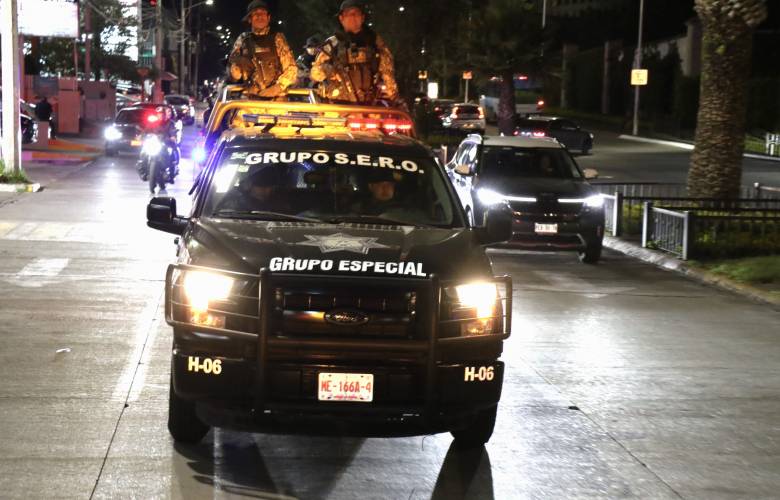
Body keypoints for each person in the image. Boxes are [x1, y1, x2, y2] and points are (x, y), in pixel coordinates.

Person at [311, 0, 399, 105]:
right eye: (348, 14)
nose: (352, 17)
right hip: (337, 106)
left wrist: (394, 98)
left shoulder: (375, 42)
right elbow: (315, 73)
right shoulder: (332, 43)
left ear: (362, 17)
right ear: (341, 18)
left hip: (369, 105)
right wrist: (328, 70)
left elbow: (388, 72)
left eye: (356, 13)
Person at [227, 0, 297, 98]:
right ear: (250, 19)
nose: (260, 17)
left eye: (263, 13)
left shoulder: (278, 38)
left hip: (277, 99)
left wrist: (278, 87)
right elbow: (231, 65)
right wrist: (235, 71)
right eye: (256, 14)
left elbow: (291, 68)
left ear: (268, 18)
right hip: (251, 98)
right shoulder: (243, 40)